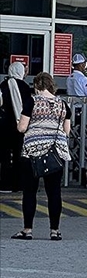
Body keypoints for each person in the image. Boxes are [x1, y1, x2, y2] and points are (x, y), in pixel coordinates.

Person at [11, 72, 70, 241]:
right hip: (55, 152)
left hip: (32, 152)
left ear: (36, 86)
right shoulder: (63, 105)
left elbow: (22, 128)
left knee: (30, 192)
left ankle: (27, 230)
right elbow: (66, 131)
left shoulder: (32, 102)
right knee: (54, 192)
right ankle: (55, 231)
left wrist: (19, 122)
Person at [0, 62, 33, 193]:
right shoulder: (25, 87)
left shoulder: (3, 85)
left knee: (5, 156)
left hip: (4, 125)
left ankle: (5, 183)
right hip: (20, 124)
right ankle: (18, 183)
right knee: (19, 154)